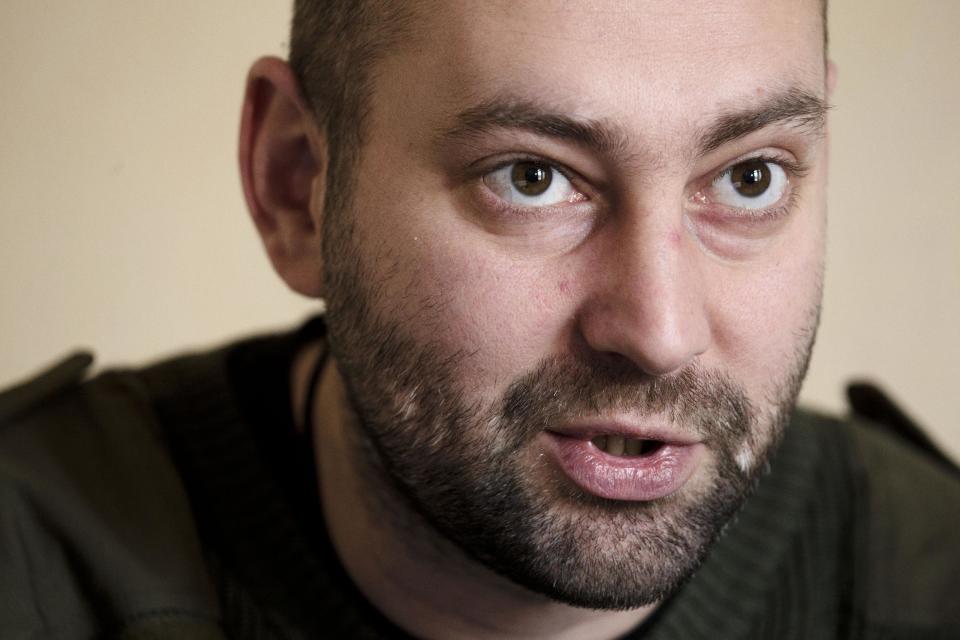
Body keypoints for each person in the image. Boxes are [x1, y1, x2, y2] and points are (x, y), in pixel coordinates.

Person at [1, 1, 958, 638]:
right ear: (298, 183)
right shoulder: (33, 567)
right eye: (532, 177)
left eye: (750, 176)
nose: (660, 332)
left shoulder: (928, 575)